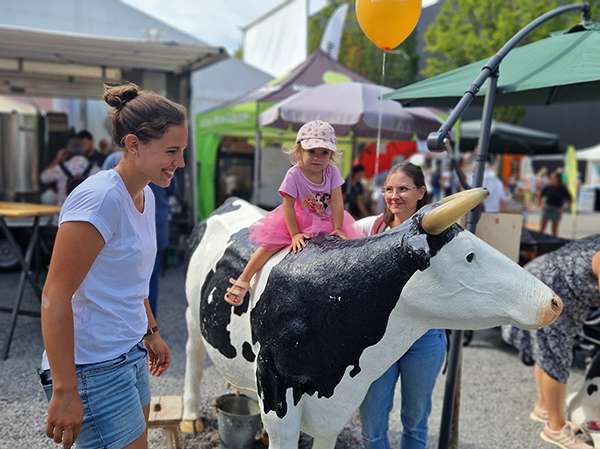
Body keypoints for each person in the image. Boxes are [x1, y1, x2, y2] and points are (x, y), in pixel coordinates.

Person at [40, 82, 186, 449]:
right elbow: (54, 296)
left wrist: (150, 331)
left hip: (128, 353)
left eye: (182, 151)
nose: (180, 163)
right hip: (92, 367)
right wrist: (65, 390)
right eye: (171, 151)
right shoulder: (99, 199)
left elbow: (130, 280)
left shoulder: (146, 195)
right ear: (134, 144)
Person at [356, 162, 447, 449]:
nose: (394, 196)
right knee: (372, 421)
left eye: (403, 189)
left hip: (424, 338)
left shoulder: (442, 232)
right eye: (389, 189)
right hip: (378, 339)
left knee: (416, 420)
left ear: (421, 192)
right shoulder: (372, 227)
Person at [224, 120, 363, 306]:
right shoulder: (294, 174)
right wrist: (295, 233)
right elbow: (288, 206)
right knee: (268, 246)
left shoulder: (332, 172)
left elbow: (337, 202)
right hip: (296, 219)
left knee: (348, 249)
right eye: (312, 151)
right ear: (299, 150)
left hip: (325, 219)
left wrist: (338, 227)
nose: (318, 157)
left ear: (331, 155)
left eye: (324, 152)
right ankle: (243, 280)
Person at [502, 238, 600, 449]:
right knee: (556, 356)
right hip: (553, 288)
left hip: (552, 279)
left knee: (546, 350)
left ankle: (544, 407)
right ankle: (555, 429)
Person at [101, 149, 175, 317]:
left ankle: (141, 325)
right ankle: (147, 324)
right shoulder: (162, 161)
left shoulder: (111, 161)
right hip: (155, 228)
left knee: (125, 281)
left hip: (125, 232)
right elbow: (172, 188)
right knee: (148, 282)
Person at [40, 137, 101, 206]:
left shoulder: (61, 168)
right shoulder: (94, 169)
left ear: (68, 152)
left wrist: (57, 159)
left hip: (64, 213)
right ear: (84, 151)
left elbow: (43, 178)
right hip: (86, 213)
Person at [539, 171, 572, 237]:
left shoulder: (563, 188)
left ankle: (554, 242)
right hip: (547, 207)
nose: (551, 178)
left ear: (558, 179)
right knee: (542, 228)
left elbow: (570, 199)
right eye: (551, 177)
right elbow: (541, 195)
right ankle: (539, 241)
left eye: (553, 177)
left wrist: (564, 208)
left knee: (554, 229)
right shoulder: (548, 187)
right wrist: (540, 204)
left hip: (557, 209)